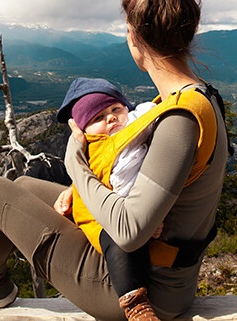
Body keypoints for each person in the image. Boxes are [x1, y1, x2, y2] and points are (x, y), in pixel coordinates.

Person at [0, 0, 229, 320]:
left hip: (141, 290)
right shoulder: (197, 98)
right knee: (25, 187)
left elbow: (128, 232)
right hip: (157, 270)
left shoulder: (179, 120)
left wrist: (76, 164)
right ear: (188, 33)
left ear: (133, 38)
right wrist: (84, 191)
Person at [54, 77, 161, 320]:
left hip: (140, 207)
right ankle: (136, 305)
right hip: (102, 216)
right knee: (119, 243)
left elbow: (155, 112)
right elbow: (94, 178)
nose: (111, 118)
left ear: (127, 108)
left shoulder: (139, 124)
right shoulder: (94, 148)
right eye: (98, 118)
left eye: (115, 109)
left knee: (131, 239)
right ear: (84, 130)